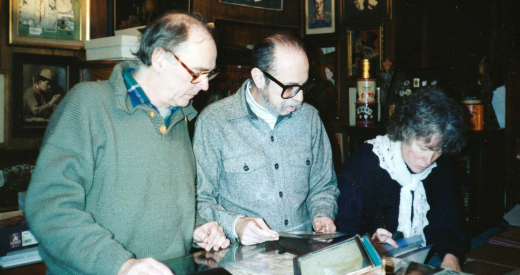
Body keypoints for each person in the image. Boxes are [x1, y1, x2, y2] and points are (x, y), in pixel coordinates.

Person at [25, 12, 229, 275]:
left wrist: (196, 226)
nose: (203, 87)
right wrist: (120, 265)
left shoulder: (179, 118)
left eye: (208, 75)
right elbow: (49, 208)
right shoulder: (88, 105)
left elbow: (154, 204)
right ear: (160, 59)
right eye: (197, 73)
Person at [194, 33, 340, 246]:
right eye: (289, 88)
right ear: (259, 78)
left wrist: (322, 213)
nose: (299, 98)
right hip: (244, 257)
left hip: (303, 251)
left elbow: (323, 185)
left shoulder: (309, 118)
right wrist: (236, 224)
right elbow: (200, 200)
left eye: (303, 86)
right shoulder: (214, 122)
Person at [336, 88, 466, 271]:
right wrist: (369, 246)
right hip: (368, 265)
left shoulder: (439, 167)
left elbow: (448, 222)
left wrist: (451, 257)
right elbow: (342, 229)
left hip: (422, 261)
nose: (428, 161)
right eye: (423, 148)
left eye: (437, 151)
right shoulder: (366, 163)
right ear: (404, 132)